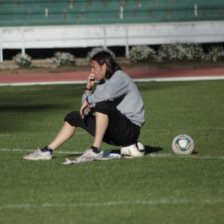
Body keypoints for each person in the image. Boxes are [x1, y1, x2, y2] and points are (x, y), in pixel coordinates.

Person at [23, 51, 145, 161]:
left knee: (102, 105)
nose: (92, 71)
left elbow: (106, 96)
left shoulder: (120, 77)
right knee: (75, 116)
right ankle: (47, 151)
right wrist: (88, 89)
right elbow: (85, 111)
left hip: (129, 131)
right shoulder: (102, 84)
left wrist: (89, 100)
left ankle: (95, 150)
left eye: (94, 67)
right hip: (113, 132)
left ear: (104, 66)